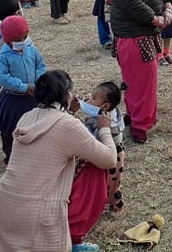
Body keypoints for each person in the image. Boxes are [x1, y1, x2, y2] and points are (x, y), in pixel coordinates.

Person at [0, 70, 119, 252]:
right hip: (32, 213)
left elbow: (55, 133)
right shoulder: (68, 125)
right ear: (67, 95)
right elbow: (109, 160)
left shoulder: (26, 116)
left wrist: (69, 113)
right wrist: (104, 129)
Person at [107, 0, 172, 144]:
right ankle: (140, 123)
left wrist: (168, 6)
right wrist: (153, 18)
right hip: (134, 31)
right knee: (139, 80)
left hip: (149, 28)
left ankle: (140, 115)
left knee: (145, 79)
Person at [67, 82, 127, 252]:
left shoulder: (109, 122)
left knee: (111, 184)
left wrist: (76, 118)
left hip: (110, 158)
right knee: (108, 185)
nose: (89, 99)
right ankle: (111, 203)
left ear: (105, 106)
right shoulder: (105, 113)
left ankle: (115, 205)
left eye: (93, 98)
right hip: (104, 155)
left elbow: (90, 138)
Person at [0, 16, 47, 164]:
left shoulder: (31, 49)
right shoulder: (3, 57)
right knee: (10, 129)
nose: (22, 41)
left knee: (35, 127)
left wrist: (38, 81)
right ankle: (10, 156)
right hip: (13, 99)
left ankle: (33, 154)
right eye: (17, 39)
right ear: (8, 40)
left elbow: (41, 65)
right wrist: (22, 87)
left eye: (25, 37)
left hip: (33, 96)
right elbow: (2, 77)